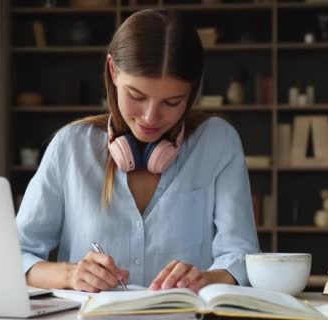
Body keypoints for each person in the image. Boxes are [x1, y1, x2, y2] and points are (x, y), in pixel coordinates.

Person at [17, 9, 259, 294]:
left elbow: (241, 255)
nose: (150, 117)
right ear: (113, 71)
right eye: (137, 96)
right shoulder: (70, 146)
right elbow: (15, 255)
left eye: (172, 102)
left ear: (192, 93)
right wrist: (70, 275)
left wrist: (207, 279)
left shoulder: (218, 142)